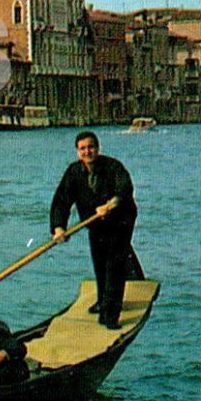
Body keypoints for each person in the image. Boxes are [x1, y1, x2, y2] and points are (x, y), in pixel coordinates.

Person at [50, 130, 142, 330]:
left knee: (114, 265)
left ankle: (110, 316)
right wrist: (59, 227)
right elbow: (61, 201)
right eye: (82, 149)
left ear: (98, 148)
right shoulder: (74, 172)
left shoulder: (112, 167)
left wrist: (111, 204)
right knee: (99, 260)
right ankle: (102, 301)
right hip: (95, 223)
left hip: (120, 220)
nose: (87, 151)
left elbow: (124, 188)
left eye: (90, 147)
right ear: (77, 152)